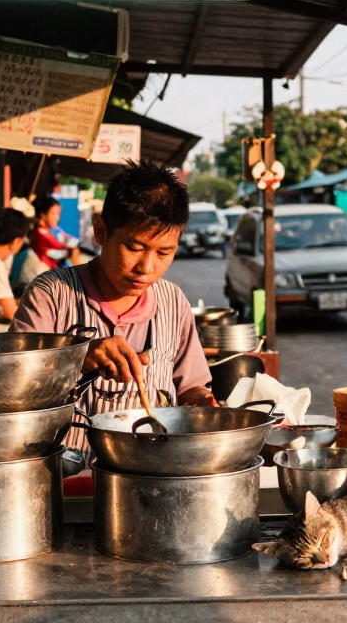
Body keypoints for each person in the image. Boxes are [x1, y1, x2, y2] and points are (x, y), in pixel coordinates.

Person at [11, 161, 216, 452]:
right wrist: (78, 358)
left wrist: (205, 405)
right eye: (133, 248)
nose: (146, 267)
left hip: (148, 471)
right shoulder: (52, 294)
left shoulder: (173, 302)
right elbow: (12, 385)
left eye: (164, 252)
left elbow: (190, 389)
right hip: (63, 473)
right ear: (101, 231)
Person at [30, 196, 81, 270]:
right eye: (54, 214)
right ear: (43, 215)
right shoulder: (41, 232)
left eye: (58, 214)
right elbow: (56, 246)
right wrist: (70, 250)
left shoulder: (47, 229)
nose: (57, 218)